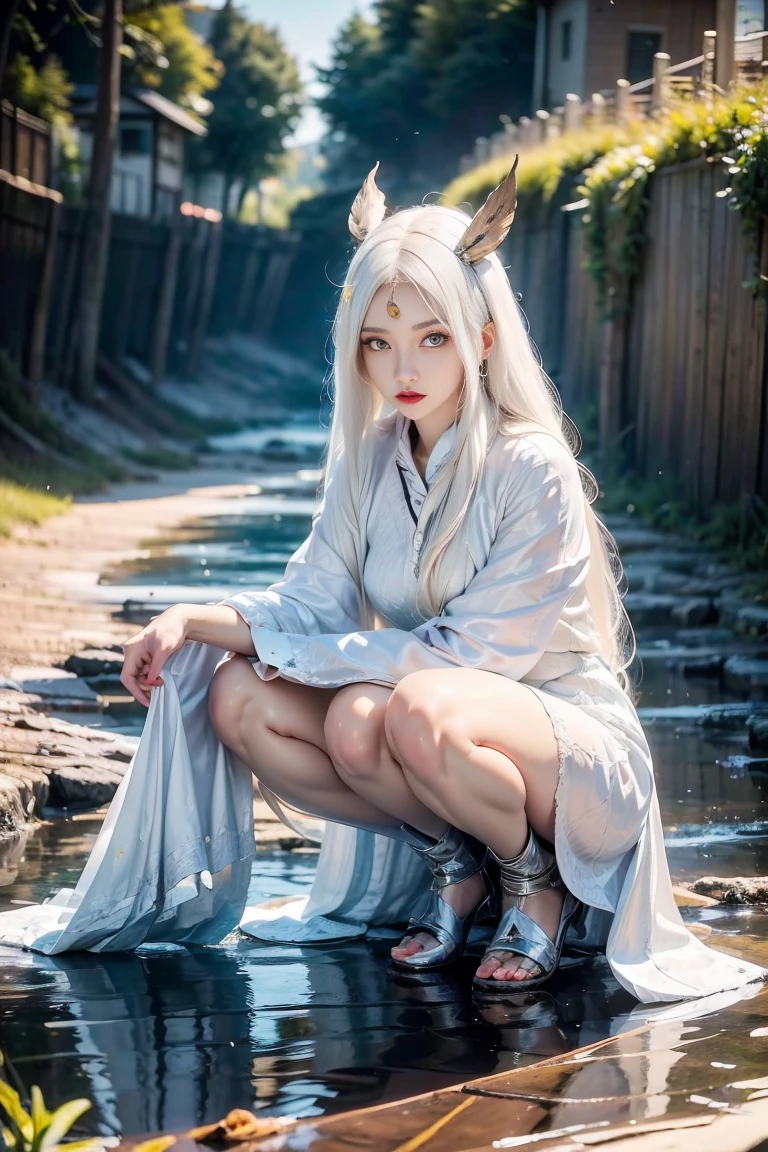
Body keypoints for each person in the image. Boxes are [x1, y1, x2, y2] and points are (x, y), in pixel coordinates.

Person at [109, 160, 763, 1004]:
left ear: (482, 336)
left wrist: (312, 652)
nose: (402, 367)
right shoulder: (373, 458)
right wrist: (192, 619)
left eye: (432, 337)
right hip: (443, 727)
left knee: (410, 706)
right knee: (243, 699)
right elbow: (310, 597)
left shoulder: (533, 467)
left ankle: (540, 884)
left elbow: (473, 658)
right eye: (378, 342)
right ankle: (460, 869)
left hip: (570, 759)